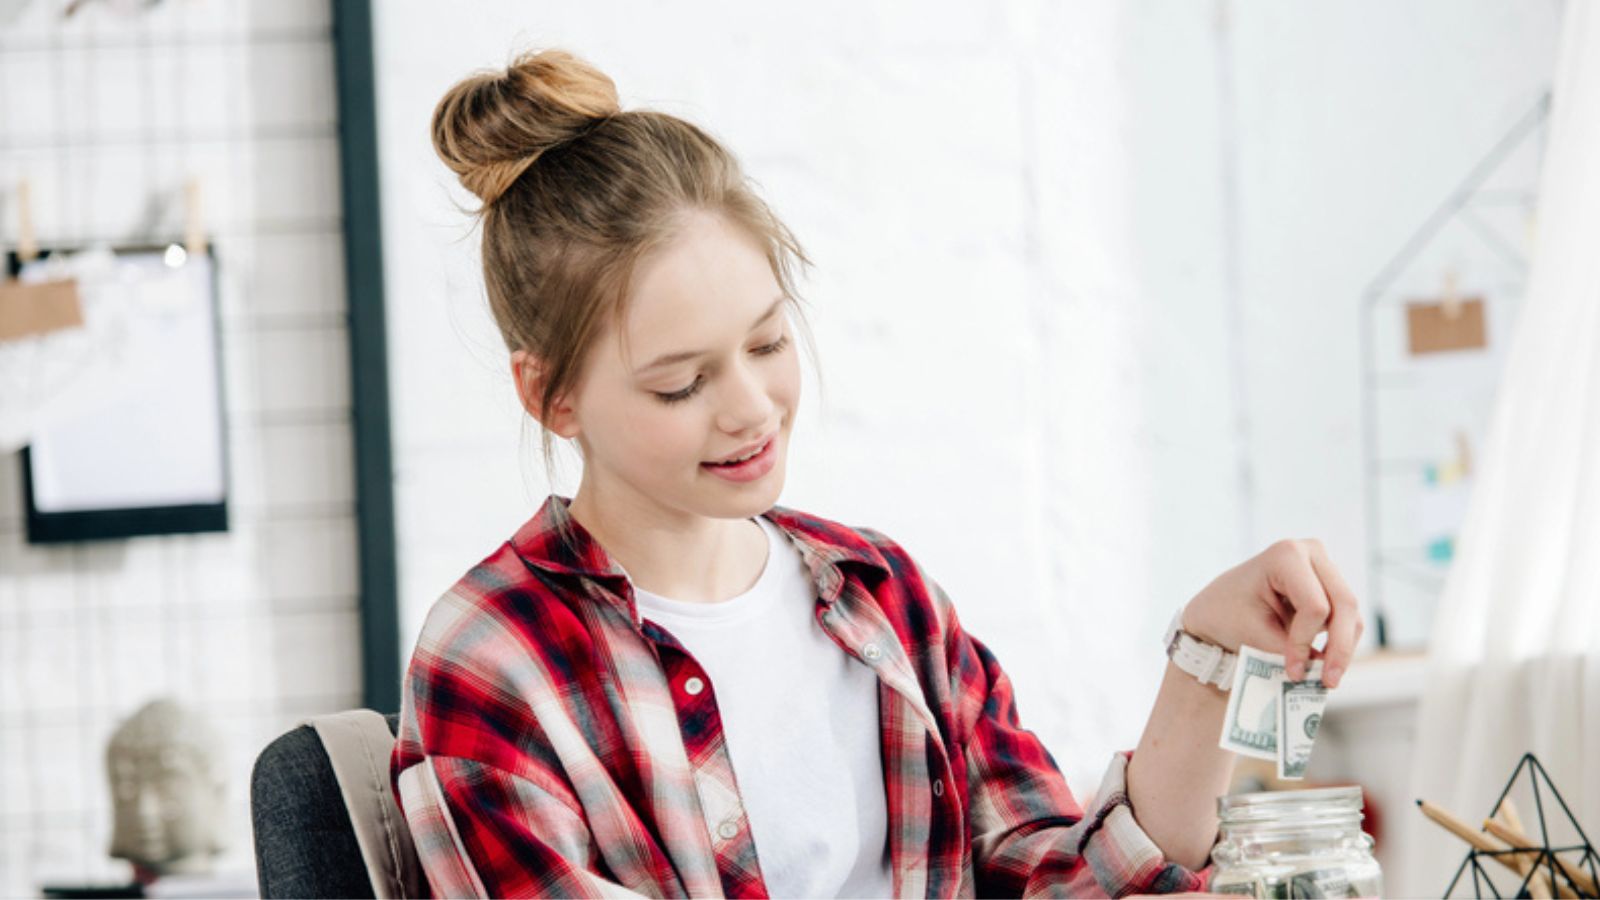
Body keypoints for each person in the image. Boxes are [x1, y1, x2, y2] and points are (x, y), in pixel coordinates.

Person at [390, 47, 1365, 899]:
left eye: (768, 343)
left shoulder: (880, 600)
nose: (750, 409)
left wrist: (1206, 653)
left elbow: (1058, 878)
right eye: (681, 384)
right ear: (550, 396)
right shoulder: (491, 665)